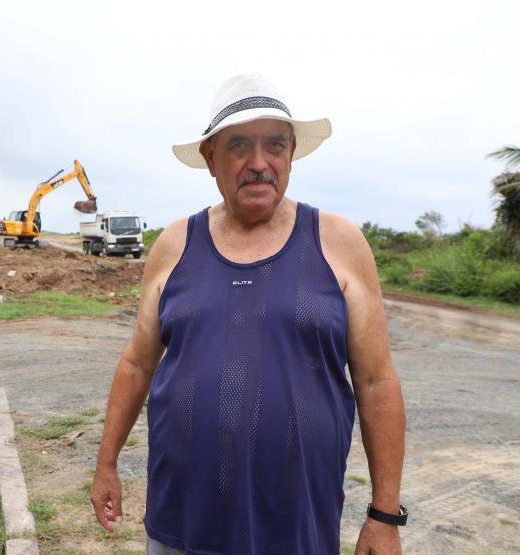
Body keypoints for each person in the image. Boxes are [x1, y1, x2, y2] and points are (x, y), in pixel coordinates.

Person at [90, 74, 407, 554]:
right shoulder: (175, 245)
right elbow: (137, 363)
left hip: (297, 526)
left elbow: (376, 381)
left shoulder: (338, 242)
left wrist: (385, 515)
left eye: (275, 145)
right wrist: (107, 463)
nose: (259, 163)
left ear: (291, 153)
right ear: (210, 158)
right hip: (182, 525)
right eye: (240, 145)